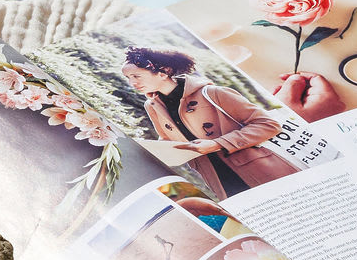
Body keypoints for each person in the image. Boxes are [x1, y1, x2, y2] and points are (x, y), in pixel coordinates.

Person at [120, 46, 297, 197]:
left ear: (163, 72)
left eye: (137, 76)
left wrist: (216, 144)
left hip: (259, 170)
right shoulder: (152, 106)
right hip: (217, 179)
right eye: (128, 78)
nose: (132, 83)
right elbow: (167, 139)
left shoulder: (212, 93)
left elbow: (268, 124)